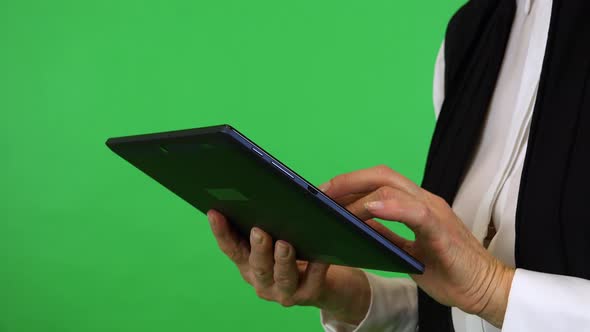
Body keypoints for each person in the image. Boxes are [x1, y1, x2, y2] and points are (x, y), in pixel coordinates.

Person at [206, 0, 590, 330]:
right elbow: (467, 311)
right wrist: (354, 298)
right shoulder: (469, 33)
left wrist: (493, 289)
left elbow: (491, 293)